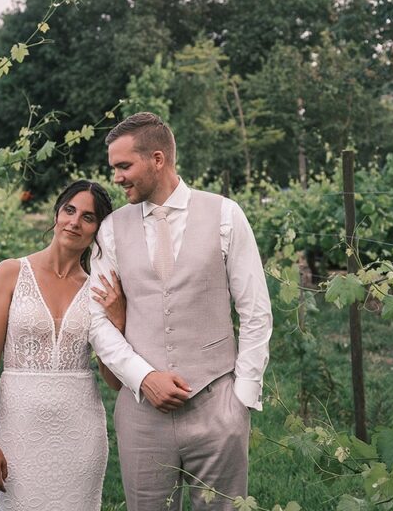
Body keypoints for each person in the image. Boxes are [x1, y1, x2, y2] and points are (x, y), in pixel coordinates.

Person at [89, 112, 273, 511]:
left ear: (158, 159)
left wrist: (241, 399)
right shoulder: (111, 229)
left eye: (124, 166)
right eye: (113, 168)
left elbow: (255, 311)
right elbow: (96, 319)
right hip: (141, 414)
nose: (116, 177)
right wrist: (144, 376)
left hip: (217, 406)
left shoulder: (226, 215)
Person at [0, 180, 127, 510]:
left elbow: (114, 381)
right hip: (19, 428)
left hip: (81, 433)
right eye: (69, 210)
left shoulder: (99, 290)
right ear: (56, 214)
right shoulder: (10, 273)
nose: (74, 222)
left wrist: (118, 319)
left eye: (88, 217)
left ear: (98, 230)